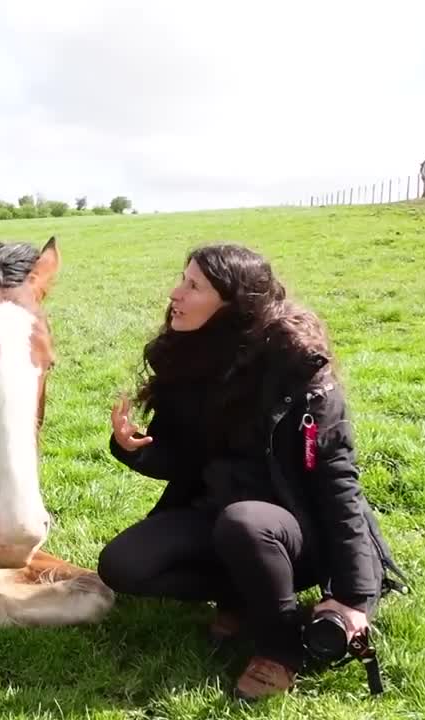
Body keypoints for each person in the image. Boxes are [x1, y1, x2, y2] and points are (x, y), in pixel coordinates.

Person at [96, 243, 406, 701]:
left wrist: (355, 596)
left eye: (193, 285)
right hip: (216, 513)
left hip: (292, 530)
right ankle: (244, 596)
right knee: (122, 565)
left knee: (245, 523)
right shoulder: (192, 356)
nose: (175, 293)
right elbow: (181, 459)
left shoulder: (298, 369)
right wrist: (133, 449)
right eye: (182, 279)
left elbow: (338, 482)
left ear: (232, 301)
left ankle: (280, 648)